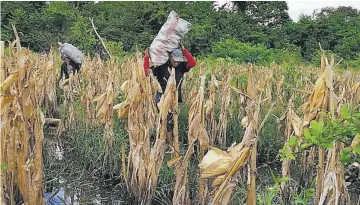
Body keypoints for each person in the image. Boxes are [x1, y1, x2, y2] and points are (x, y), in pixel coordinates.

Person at [143, 42, 196, 146]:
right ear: (170, 57)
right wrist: (146, 57)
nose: (176, 63)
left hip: (175, 98)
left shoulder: (181, 66)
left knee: (171, 121)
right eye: (174, 60)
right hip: (162, 98)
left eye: (178, 60)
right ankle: (171, 146)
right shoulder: (161, 66)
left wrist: (184, 50)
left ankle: (168, 142)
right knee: (167, 121)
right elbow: (147, 72)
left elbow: (192, 63)